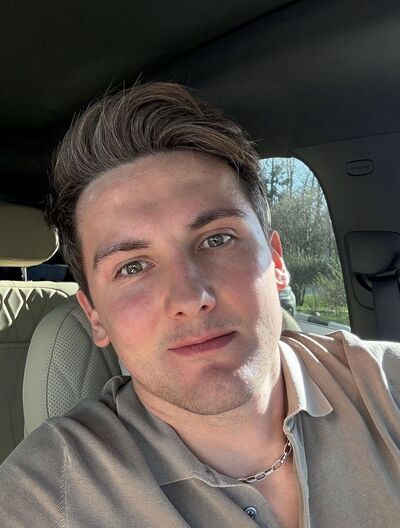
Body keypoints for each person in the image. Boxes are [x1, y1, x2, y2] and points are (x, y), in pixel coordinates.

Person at [1, 82, 399, 528]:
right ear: (95, 316)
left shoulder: (389, 389)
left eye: (217, 239)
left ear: (276, 262)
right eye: (132, 267)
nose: (190, 300)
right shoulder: (41, 499)